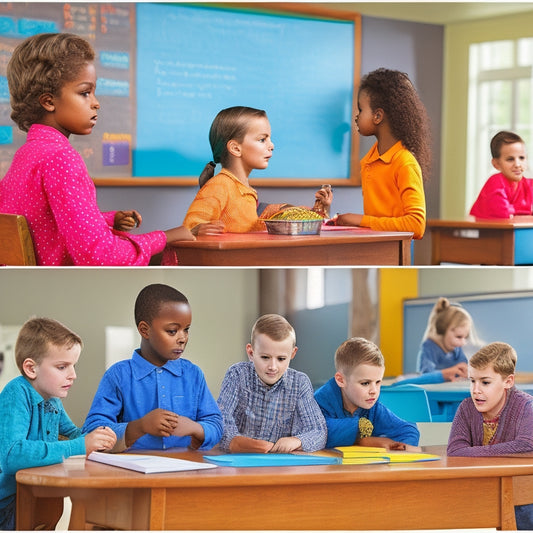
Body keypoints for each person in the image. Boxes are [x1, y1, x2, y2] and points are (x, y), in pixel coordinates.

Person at [0, 32, 194, 266]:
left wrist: (109, 219)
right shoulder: (60, 159)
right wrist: (165, 237)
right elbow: (98, 255)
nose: (96, 102)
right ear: (49, 101)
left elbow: (44, 222)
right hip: (62, 290)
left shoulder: (27, 154)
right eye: (84, 92)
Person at [0, 317, 116, 531]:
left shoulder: (52, 400)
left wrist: (98, 439)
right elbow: (11, 455)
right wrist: (82, 445)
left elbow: (73, 434)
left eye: (73, 366)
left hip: (35, 493)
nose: (73, 375)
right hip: (6, 506)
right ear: (31, 368)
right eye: (62, 366)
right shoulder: (15, 393)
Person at [83, 283, 223, 451]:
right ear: (145, 330)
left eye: (186, 330)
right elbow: (93, 431)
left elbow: (216, 425)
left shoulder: (193, 375)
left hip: (185, 470)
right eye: (172, 331)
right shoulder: (118, 375)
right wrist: (139, 426)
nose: (183, 338)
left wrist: (196, 428)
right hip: (131, 471)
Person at [182, 106, 333, 235]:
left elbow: (254, 225)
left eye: (269, 139)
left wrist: (318, 209)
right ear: (235, 148)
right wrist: (197, 229)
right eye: (262, 139)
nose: (271, 145)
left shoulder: (243, 189)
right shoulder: (219, 185)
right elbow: (190, 226)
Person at [327, 68, 431, 239]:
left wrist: (360, 220)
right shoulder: (369, 160)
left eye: (361, 110)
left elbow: (416, 226)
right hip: (375, 246)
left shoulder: (405, 162)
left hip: (395, 251)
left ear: (377, 116)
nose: (356, 117)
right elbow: (376, 220)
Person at [447, 342, 533, 530]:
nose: (476, 390)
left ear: (508, 381)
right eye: (472, 381)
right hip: (481, 491)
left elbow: (528, 446)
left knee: (522, 511)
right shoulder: (467, 408)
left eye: (485, 382)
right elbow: (454, 451)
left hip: (523, 494)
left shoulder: (526, 407)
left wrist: (471, 451)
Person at [216, 314, 327, 453]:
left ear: (292, 353)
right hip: (237, 461)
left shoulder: (300, 383)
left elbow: (318, 431)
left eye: (281, 359)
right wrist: (238, 442)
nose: (273, 366)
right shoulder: (237, 375)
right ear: (251, 352)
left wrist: (296, 441)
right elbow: (220, 418)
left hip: (278, 465)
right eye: (265, 357)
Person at [314, 337, 420, 450]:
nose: (374, 390)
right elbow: (315, 431)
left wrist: (400, 447)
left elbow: (408, 430)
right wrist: (363, 439)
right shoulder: (319, 401)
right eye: (365, 383)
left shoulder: (372, 406)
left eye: (378, 382)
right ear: (341, 380)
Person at [470, 131, 532, 219]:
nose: (517, 164)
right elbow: (503, 215)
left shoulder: (529, 185)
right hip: (488, 231)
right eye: (510, 159)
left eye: (522, 158)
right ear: (496, 164)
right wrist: (527, 211)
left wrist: (514, 212)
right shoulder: (495, 183)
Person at [416, 297, 473, 376]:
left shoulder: (457, 349)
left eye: (465, 337)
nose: (463, 343)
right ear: (442, 330)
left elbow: (464, 368)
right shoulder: (429, 347)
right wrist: (449, 372)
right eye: (459, 337)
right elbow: (425, 374)